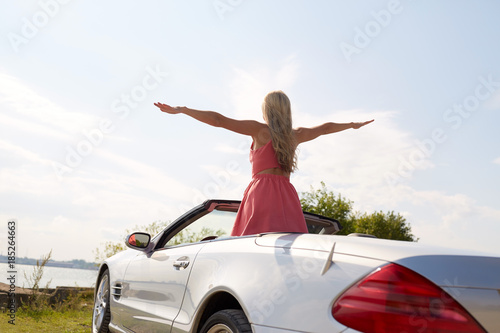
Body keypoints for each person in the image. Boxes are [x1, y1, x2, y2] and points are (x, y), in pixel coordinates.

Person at [154, 91, 373, 236]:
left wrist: (183, 109)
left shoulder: (259, 130)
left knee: (252, 241)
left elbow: (219, 121)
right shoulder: (295, 135)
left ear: (267, 110)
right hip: (287, 193)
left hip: (261, 191)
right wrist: (352, 124)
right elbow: (325, 128)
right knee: (289, 241)